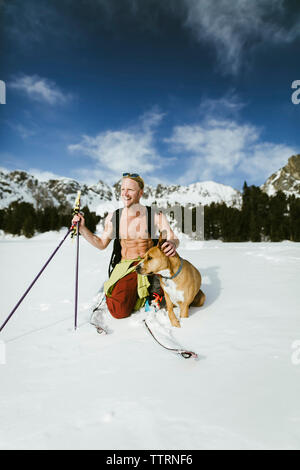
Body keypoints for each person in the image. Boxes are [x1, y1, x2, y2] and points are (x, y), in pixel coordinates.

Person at [72, 173, 179, 320]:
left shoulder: (154, 215)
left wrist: (172, 243)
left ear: (140, 193)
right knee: (119, 311)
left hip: (150, 264)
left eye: (130, 190)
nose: (125, 193)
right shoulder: (114, 217)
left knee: (177, 293)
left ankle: (152, 292)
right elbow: (101, 244)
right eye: (122, 189)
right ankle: (116, 291)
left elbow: (172, 236)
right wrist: (83, 229)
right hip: (128, 266)